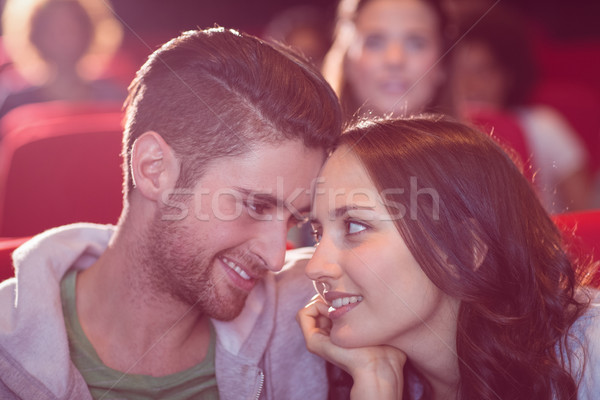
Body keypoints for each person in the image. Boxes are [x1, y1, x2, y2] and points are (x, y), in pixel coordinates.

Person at [0, 27, 342, 399]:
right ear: (154, 169)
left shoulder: (316, 308)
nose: (277, 257)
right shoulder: (8, 345)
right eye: (256, 205)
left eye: (295, 220)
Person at [296, 116, 600, 399]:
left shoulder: (591, 353)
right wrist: (375, 382)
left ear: (466, 249)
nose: (315, 267)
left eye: (354, 226)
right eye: (318, 232)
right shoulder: (376, 375)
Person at [450, 4, 592, 212]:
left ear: (509, 75)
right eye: (460, 72)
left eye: (483, 71)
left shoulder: (543, 126)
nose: (470, 84)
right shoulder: (442, 129)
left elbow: (585, 211)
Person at [322, 0, 452, 120]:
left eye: (416, 44)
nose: (394, 60)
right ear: (347, 60)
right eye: (375, 43)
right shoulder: (306, 145)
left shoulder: (470, 144)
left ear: (443, 61)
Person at [0, 0, 126, 118]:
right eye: (52, 30)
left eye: (70, 29)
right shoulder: (14, 104)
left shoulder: (115, 99)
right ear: (35, 36)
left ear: (88, 32)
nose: (62, 38)